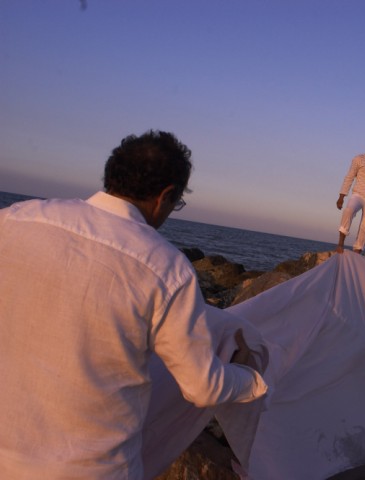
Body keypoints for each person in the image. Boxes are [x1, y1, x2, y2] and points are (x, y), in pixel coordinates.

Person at [0, 130, 268, 479]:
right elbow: (202, 386)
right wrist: (253, 380)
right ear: (165, 196)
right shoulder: (165, 268)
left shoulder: (16, 219)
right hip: (91, 469)